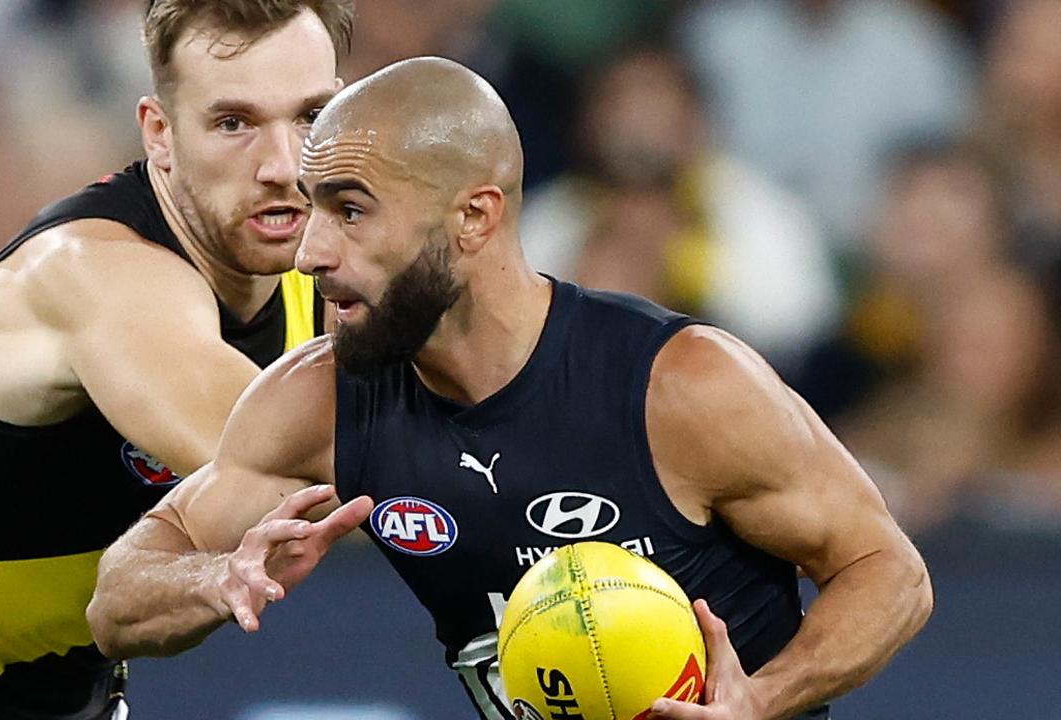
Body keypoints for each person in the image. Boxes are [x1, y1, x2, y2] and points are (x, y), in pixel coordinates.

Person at [87, 57, 933, 719]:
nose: (310, 253)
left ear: (474, 217)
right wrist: (214, 579)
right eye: (310, 209)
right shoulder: (322, 402)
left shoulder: (679, 386)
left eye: (349, 210)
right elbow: (118, 599)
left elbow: (887, 572)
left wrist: (764, 700)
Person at [0, 2, 353, 719]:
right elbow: (277, 450)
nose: (280, 166)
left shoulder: (312, 260)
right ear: (160, 133)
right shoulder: (93, 274)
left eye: (310, 118)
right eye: (233, 123)